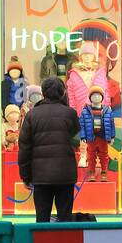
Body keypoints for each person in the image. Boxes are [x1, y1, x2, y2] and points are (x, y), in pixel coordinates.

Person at [17, 76, 81, 223]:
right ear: (63, 92)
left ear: (43, 93)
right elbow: (76, 140)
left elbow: (24, 148)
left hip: (40, 176)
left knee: (42, 218)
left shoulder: (32, 115)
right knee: (65, 218)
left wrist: (25, 176)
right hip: (65, 175)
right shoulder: (70, 113)